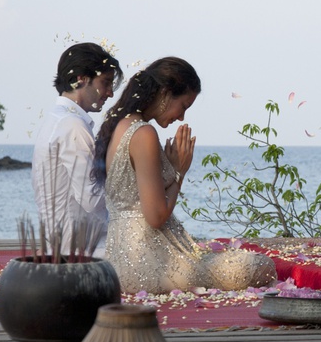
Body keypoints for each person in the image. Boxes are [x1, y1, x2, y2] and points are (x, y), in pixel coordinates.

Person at [92, 56, 276, 293]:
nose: (181, 117)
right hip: (148, 267)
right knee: (261, 266)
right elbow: (156, 216)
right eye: (184, 106)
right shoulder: (144, 133)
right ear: (166, 93)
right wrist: (179, 172)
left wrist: (168, 170)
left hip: (121, 263)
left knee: (237, 262)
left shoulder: (121, 125)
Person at [32, 42, 123, 254]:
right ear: (81, 79)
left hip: (60, 244)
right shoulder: (72, 125)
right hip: (79, 251)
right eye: (106, 82)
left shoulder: (57, 119)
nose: (110, 93)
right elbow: (92, 198)